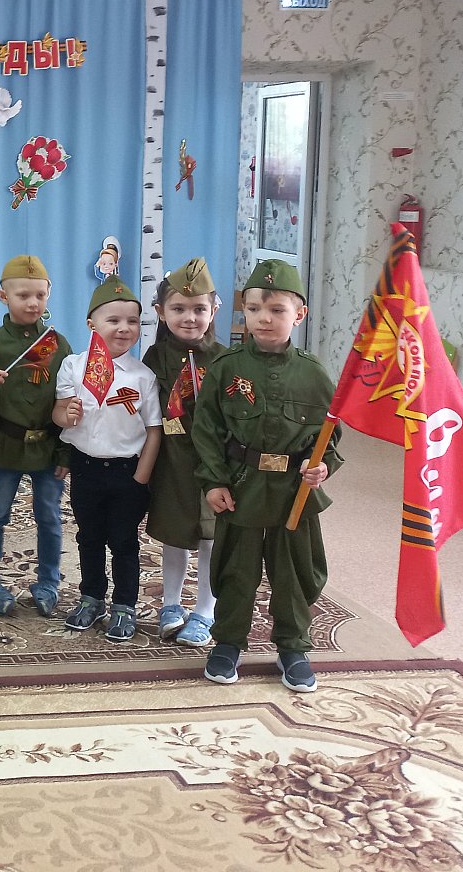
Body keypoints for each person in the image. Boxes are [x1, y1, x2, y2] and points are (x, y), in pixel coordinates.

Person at [192, 259, 339, 693]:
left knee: (294, 569)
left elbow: (329, 436)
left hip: (294, 490)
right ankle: (228, 642)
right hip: (242, 484)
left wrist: (323, 466)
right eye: (254, 308)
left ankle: (293, 646)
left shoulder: (313, 374)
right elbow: (206, 429)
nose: (264, 318)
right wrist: (214, 481)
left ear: (300, 314)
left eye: (276, 310)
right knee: (236, 567)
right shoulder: (227, 367)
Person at [53, 276, 163, 643]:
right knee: (89, 537)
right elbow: (58, 414)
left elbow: (154, 430)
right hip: (85, 467)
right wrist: (66, 414)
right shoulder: (73, 366)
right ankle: (91, 597)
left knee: (124, 541)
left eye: (132, 321)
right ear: (91, 324)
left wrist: (141, 477)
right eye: (113, 320)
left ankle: (125, 605)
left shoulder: (143, 376)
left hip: (127, 471)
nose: (124, 328)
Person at [0, 255, 72, 618]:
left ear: (49, 294)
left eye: (40, 296)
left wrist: (65, 453)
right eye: (23, 296)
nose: (33, 303)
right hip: (6, 445)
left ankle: (48, 583)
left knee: (49, 517)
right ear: (3, 296)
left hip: (48, 446)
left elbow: (68, 401)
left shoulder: (57, 344)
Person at [143, 258, 227, 647]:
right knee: (174, 535)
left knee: (211, 538)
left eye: (198, 309)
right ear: (161, 312)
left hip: (213, 465)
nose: (189, 318)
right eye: (178, 309)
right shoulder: (154, 357)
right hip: (172, 462)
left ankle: (205, 611)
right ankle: (171, 605)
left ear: (214, 309)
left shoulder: (225, 360)